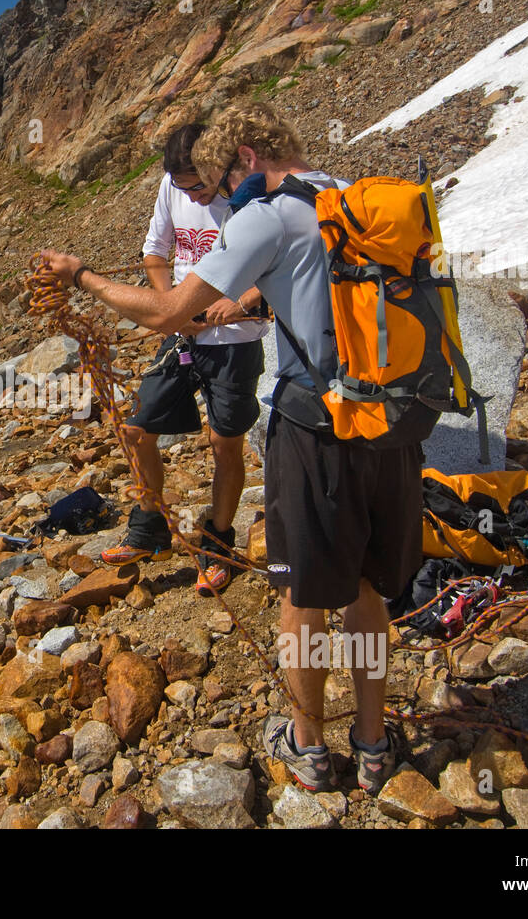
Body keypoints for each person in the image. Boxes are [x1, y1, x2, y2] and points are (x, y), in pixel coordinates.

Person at [41, 103, 416, 795]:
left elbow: (165, 312)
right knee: (366, 584)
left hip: (316, 426)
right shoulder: (340, 193)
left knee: (302, 591)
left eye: (219, 177)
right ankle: (371, 741)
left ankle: (307, 743)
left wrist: (82, 276)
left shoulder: (264, 213)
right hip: (390, 423)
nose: (219, 195)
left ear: (245, 153)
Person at [101, 123, 270, 597]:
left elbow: (277, 264)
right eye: (183, 188)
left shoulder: (252, 197)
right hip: (182, 337)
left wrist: (238, 304)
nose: (193, 198)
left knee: (225, 443)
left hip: (236, 339)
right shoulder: (172, 186)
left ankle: (218, 544)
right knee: (137, 430)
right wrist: (170, 306)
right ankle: (149, 527)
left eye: (200, 185)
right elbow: (155, 252)